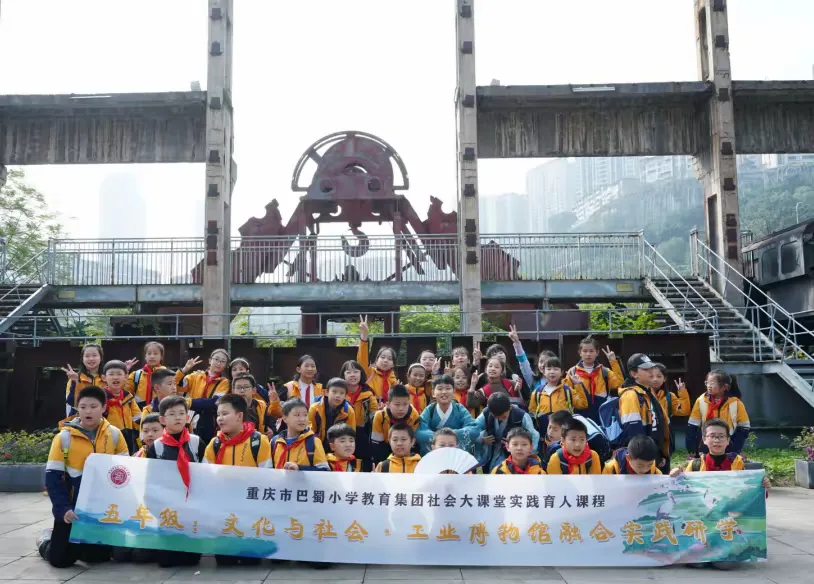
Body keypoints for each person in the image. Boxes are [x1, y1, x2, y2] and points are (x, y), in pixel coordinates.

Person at [38, 386, 128, 568]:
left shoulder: (114, 434)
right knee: (60, 560)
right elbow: (53, 478)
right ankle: (46, 540)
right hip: (73, 508)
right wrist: (63, 509)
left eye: (93, 407)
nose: (88, 411)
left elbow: (125, 473)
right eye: (83, 407)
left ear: (103, 408)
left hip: (101, 509)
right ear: (77, 408)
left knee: (96, 558)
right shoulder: (64, 437)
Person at [145, 394, 206, 567]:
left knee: (191, 560)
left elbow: (206, 472)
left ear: (187, 417)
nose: (178, 417)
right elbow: (151, 477)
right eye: (172, 414)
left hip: (191, 502)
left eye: (181, 413)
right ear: (162, 420)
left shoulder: (196, 442)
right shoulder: (156, 446)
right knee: (167, 560)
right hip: (167, 503)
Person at [673, 418, 770, 487]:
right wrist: (676, 475)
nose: (717, 440)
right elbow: (684, 491)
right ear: (704, 439)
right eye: (712, 436)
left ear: (728, 440)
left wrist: (761, 484)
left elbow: (751, 493)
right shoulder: (695, 465)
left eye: (721, 436)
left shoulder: (738, 463)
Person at [686, 370, 751, 456]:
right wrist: (691, 448)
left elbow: (744, 427)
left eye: (712, 383)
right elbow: (692, 425)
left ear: (724, 387)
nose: (709, 386)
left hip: (729, 444)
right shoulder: (701, 401)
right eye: (707, 383)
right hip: (706, 444)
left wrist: (735, 446)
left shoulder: (736, 403)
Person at [473, 393, 539, 473]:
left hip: (513, 451)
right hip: (491, 449)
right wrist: (482, 439)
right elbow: (473, 429)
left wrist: (528, 453)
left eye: (503, 417)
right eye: (495, 417)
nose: (499, 419)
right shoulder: (486, 413)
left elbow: (534, 435)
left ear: (510, 407)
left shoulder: (521, 415)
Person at [179, 349, 230, 445]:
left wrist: (189, 402)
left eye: (223, 361)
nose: (219, 363)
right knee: (187, 443)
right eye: (216, 359)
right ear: (210, 360)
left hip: (209, 420)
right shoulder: (195, 376)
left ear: (226, 365)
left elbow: (215, 402)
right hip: (190, 416)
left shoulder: (224, 382)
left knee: (206, 445)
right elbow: (178, 386)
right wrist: (184, 370)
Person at [416, 374, 476, 455]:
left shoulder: (459, 409)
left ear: (454, 392)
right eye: (440, 389)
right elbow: (419, 432)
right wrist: (440, 437)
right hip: (436, 453)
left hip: (455, 452)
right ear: (433, 393)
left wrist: (453, 434)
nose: (444, 392)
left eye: (448, 388)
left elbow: (474, 429)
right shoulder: (430, 410)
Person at [568, 336, 624, 422]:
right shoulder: (572, 372)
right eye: (585, 351)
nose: (588, 354)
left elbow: (619, 383)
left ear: (597, 352)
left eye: (591, 351)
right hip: (580, 416)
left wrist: (613, 362)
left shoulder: (604, 371)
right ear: (580, 352)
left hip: (602, 415)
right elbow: (567, 395)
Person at [528, 356, 588, 435]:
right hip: (543, 434)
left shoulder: (567, 391)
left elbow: (583, 404)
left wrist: (578, 385)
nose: (552, 372)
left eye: (555, 369)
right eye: (549, 369)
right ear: (544, 372)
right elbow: (532, 413)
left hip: (564, 435)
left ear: (561, 372)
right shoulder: (537, 393)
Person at [648, 363, 691, 473]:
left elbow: (684, 411)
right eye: (651, 376)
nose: (655, 379)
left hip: (665, 433)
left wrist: (682, 392)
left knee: (664, 463)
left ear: (665, 378)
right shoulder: (643, 395)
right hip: (650, 431)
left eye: (659, 376)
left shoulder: (669, 396)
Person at [617, 353, 664, 450]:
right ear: (634, 374)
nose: (651, 371)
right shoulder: (630, 395)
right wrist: (644, 454)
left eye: (651, 367)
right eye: (646, 369)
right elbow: (633, 433)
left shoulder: (647, 392)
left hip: (653, 450)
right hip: (643, 453)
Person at [270, 398, 329, 471]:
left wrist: (300, 468)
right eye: (297, 415)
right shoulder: (275, 442)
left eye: (305, 415)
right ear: (285, 418)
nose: (302, 419)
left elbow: (324, 470)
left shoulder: (313, 441)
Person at [339, 360, 378, 470]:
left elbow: (374, 415)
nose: (352, 375)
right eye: (348, 372)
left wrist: (379, 413)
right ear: (343, 375)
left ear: (361, 374)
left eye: (356, 372)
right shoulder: (339, 393)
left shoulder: (368, 394)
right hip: (342, 432)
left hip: (362, 434)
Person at [125, 341, 186, 407]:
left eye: (155, 353)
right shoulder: (136, 374)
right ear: (145, 356)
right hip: (140, 409)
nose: (152, 356)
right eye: (149, 353)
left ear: (161, 357)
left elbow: (175, 382)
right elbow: (124, 390)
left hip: (162, 407)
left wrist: (183, 371)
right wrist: (125, 371)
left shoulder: (166, 373)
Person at [371, 384, 421, 463]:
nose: (401, 409)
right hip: (385, 446)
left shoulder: (414, 416)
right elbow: (377, 445)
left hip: (406, 447)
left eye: (405, 404)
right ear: (388, 405)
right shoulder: (380, 416)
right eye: (397, 404)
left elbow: (413, 443)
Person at [100, 360, 142, 454]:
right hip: (108, 437)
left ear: (126, 377)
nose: (115, 377)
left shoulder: (128, 397)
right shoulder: (101, 397)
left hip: (129, 437)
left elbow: (138, 419)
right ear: (104, 378)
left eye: (119, 374)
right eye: (111, 374)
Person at [357, 315, 399, 401]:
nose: (385, 360)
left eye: (390, 359)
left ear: (393, 364)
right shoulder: (369, 372)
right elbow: (362, 359)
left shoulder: (393, 379)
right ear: (376, 361)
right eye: (382, 357)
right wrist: (364, 337)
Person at [268, 354, 322, 419]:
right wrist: (274, 402)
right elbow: (276, 413)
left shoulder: (321, 389)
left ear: (316, 370)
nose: (310, 369)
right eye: (306, 366)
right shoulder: (288, 387)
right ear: (298, 369)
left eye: (313, 366)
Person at [62, 343, 105, 418]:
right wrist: (77, 382)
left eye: (94, 355)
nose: (91, 359)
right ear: (82, 359)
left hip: (104, 420)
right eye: (87, 356)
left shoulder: (107, 378)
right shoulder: (74, 379)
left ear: (101, 358)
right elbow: (72, 403)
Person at [308, 378, 357, 442]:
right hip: (317, 443)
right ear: (326, 392)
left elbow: (350, 435)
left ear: (345, 396)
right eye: (334, 392)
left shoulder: (348, 410)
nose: (338, 396)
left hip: (339, 444)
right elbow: (310, 432)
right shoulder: (314, 408)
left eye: (342, 393)